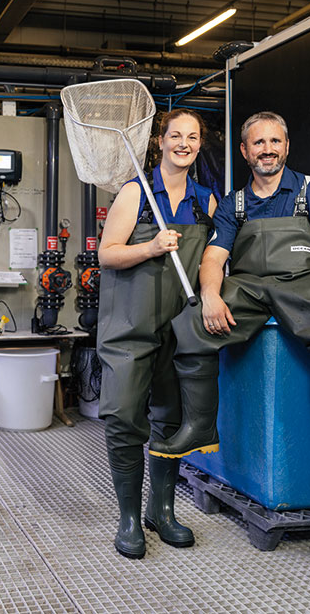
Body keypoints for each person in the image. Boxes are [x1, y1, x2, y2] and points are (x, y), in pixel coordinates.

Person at [149, 111, 310, 489]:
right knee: (191, 322)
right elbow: (214, 257)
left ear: (286, 146)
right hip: (249, 288)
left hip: (305, 284)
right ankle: (199, 428)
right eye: (259, 143)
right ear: (244, 151)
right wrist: (209, 295)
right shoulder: (233, 204)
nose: (267, 150)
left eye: (275, 142)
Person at [97, 109, 218, 560]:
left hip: (179, 328)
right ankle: (129, 517)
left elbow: (212, 259)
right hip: (129, 327)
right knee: (125, 416)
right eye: (175, 135)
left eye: (192, 137)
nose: (183, 143)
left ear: (199, 145)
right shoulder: (135, 193)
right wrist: (149, 247)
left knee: (171, 418)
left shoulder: (206, 201)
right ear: (160, 141)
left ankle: (160, 510)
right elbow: (108, 254)